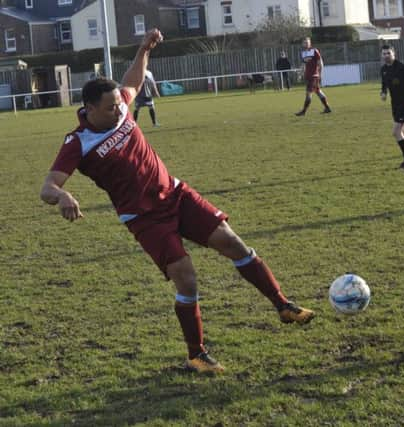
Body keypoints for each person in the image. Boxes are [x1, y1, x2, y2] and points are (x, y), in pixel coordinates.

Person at [39, 29, 315, 374]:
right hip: (144, 218)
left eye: (119, 105)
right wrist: (63, 195)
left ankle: (283, 305)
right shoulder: (77, 143)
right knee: (187, 278)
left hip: (175, 194)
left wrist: (143, 49)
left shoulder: (121, 105)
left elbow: (133, 82)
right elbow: (47, 187)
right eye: (110, 108)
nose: (119, 110)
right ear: (89, 109)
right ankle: (197, 354)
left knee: (233, 243)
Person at [295, 37, 331, 116]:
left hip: (314, 76)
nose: (306, 44)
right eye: (304, 43)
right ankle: (327, 108)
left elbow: (320, 63)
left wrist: (320, 74)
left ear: (310, 43)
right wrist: (300, 74)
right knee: (318, 91)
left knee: (308, 93)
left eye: (307, 42)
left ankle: (303, 111)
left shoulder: (314, 51)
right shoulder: (303, 53)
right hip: (308, 76)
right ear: (302, 44)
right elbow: (303, 65)